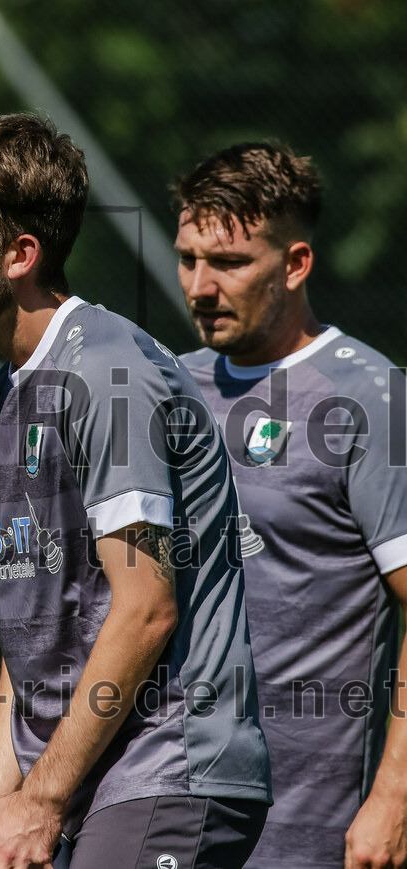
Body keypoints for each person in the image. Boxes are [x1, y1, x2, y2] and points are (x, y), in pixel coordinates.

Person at [0, 114, 271, 868]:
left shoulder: (105, 372)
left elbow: (146, 606)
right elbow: (32, 635)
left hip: (169, 766)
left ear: (19, 254)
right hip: (79, 777)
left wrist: (39, 800)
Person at [174, 141, 407, 869]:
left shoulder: (370, 398)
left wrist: (394, 798)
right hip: (165, 810)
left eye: (231, 262)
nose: (201, 286)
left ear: (296, 263)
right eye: (188, 258)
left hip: (313, 828)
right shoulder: (167, 386)